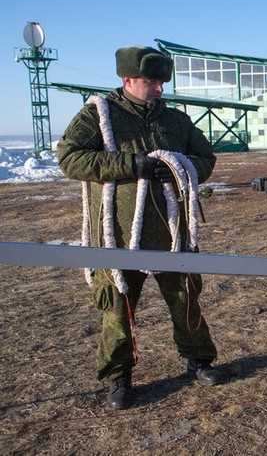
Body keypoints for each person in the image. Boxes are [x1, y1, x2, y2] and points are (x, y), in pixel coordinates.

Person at [58, 46, 221, 410]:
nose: (159, 89)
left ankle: (200, 359)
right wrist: (131, 165)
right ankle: (119, 375)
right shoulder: (98, 115)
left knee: (186, 297)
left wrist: (182, 165)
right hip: (116, 233)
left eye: (163, 82)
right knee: (118, 306)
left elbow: (206, 158)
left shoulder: (176, 120)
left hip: (171, 233)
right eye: (151, 82)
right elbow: (70, 158)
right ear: (127, 79)